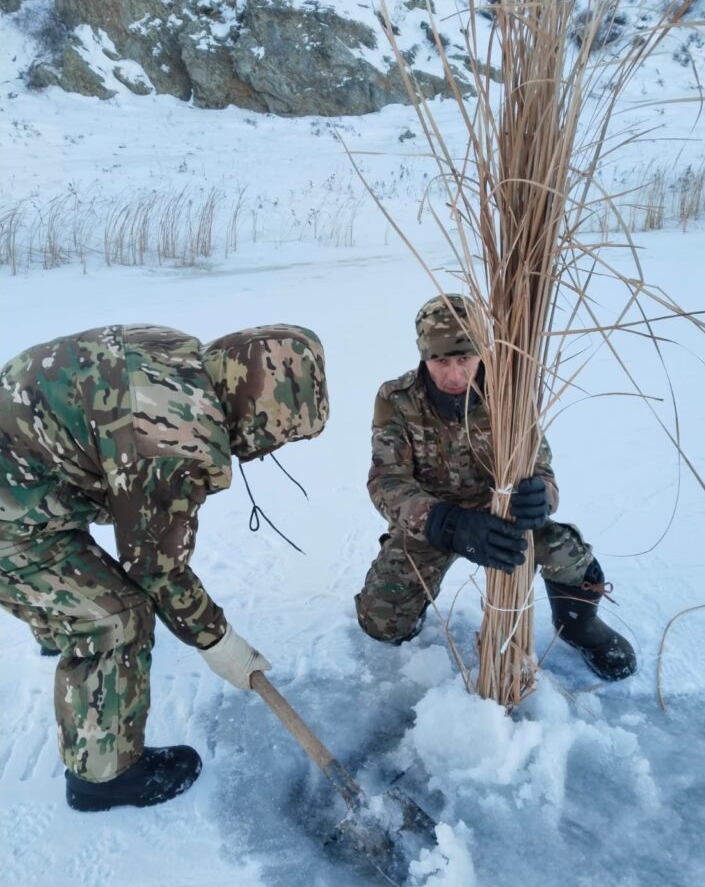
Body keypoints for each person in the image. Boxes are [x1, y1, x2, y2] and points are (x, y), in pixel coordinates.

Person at [0, 323, 329, 811]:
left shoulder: (176, 355)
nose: (269, 449)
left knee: (88, 580)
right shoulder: (173, 433)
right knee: (117, 616)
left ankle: (58, 624)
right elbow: (154, 566)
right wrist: (220, 642)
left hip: (25, 474)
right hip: (12, 513)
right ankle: (104, 775)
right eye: (279, 435)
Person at [355, 293, 636, 682]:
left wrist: (541, 498)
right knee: (381, 623)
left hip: (502, 516)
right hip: (434, 520)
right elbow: (386, 481)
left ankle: (578, 627)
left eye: (464, 359)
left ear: (482, 353)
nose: (454, 376)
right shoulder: (396, 399)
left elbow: (542, 469)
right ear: (423, 356)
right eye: (440, 361)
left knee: (568, 555)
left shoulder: (512, 394)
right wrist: (448, 524)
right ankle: (411, 603)